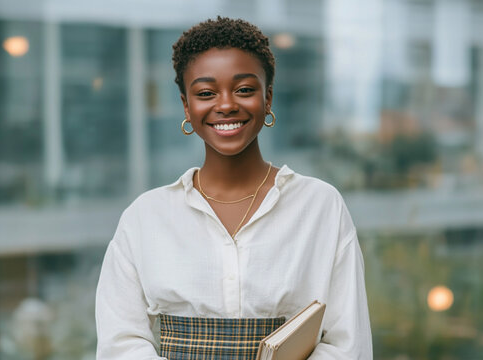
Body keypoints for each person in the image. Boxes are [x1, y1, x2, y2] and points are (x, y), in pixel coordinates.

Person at [96, 17, 372, 359]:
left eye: (244, 89)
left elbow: (347, 344)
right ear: (186, 105)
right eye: (205, 93)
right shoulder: (144, 218)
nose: (226, 104)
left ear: (268, 98)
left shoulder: (321, 206)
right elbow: (120, 344)